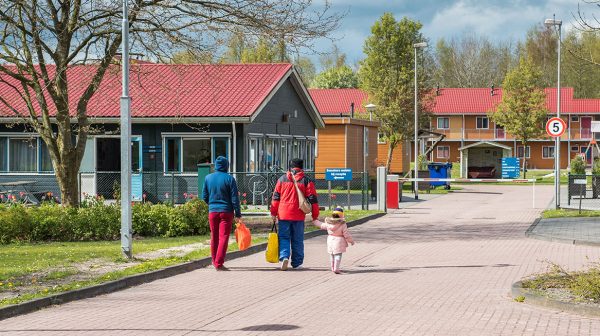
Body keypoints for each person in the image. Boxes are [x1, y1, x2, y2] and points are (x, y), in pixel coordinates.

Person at [270, 158, 319, 270]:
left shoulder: (282, 179)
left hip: (283, 214)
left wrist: (273, 212)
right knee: (297, 238)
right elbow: (313, 199)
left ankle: (284, 256)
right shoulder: (306, 180)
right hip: (298, 214)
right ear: (302, 167)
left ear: (290, 167)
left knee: (284, 237)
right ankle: (296, 263)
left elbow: (275, 198)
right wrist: (315, 215)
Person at [202, 156, 241, 271]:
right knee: (223, 236)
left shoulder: (208, 178)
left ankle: (215, 261)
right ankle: (218, 262)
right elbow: (235, 198)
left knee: (214, 236)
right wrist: (238, 213)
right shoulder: (230, 179)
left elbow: (204, 196)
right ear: (226, 166)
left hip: (213, 212)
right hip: (226, 212)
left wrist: (212, 204)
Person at [312, 207, 355, 274]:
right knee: (338, 255)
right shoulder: (342, 224)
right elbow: (346, 234)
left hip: (330, 240)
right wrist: (351, 241)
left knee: (331, 254)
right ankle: (336, 268)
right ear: (342, 215)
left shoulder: (329, 223)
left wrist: (315, 221)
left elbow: (321, 225)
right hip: (339, 241)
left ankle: (332, 267)